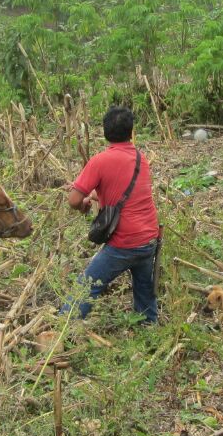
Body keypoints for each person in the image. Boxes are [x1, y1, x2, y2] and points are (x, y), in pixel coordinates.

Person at [63, 105, 160, 323]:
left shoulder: (100, 161)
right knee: (144, 290)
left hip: (124, 242)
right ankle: (149, 328)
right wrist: (91, 197)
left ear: (105, 132)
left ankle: (62, 327)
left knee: (86, 287)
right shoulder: (140, 158)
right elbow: (124, 195)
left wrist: (82, 202)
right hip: (148, 238)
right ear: (131, 132)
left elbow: (73, 200)